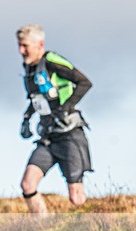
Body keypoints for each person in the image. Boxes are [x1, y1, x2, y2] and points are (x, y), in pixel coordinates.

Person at [17, 24, 93, 214]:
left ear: (39, 44)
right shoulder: (30, 68)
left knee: (76, 196)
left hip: (70, 135)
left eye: (25, 46)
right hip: (48, 138)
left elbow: (84, 82)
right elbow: (37, 99)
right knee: (27, 184)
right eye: (19, 45)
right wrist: (27, 118)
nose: (21, 51)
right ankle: (40, 229)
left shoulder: (51, 61)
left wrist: (65, 108)